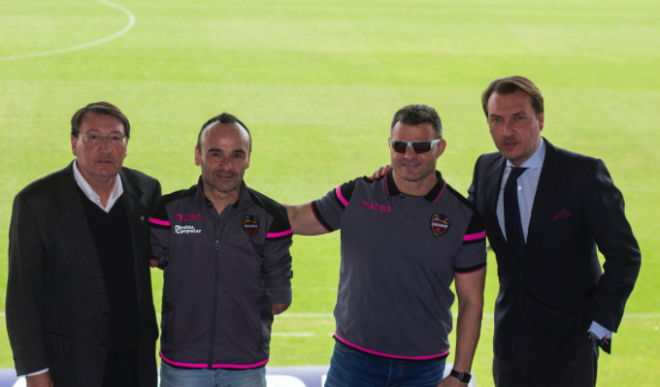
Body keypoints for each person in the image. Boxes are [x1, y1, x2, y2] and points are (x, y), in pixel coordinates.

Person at [285, 105, 487, 386]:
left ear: (440, 148)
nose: (409, 155)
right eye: (400, 145)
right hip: (353, 361)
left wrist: (460, 374)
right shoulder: (356, 193)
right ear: (390, 145)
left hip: (424, 368)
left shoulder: (465, 218)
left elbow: (471, 301)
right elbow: (294, 218)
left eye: (421, 146)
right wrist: (238, 201)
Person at [467, 76, 641, 386]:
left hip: (570, 348)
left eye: (518, 118)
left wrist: (598, 326)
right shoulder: (485, 169)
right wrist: (399, 183)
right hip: (509, 349)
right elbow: (463, 231)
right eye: (496, 120)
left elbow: (624, 255)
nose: (506, 131)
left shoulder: (583, 174)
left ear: (540, 119)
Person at [6, 102, 161, 387]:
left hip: (135, 361)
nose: (105, 148)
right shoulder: (35, 203)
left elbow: (158, 251)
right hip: (69, 365)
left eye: (115, 138)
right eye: (93, 137)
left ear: (126, 146)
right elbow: (22, 296)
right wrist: (36, 371)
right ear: (74, 143)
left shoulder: (147, 190)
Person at [148, 113, 293, 387]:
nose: (227, 165)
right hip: (182, 362)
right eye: (216, 154)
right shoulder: (167, 211)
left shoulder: (271, 216)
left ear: (249, 158)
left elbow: (280, 290)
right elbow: (147, 258)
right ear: (197, 155)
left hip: (245, 365)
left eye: (237, 155)